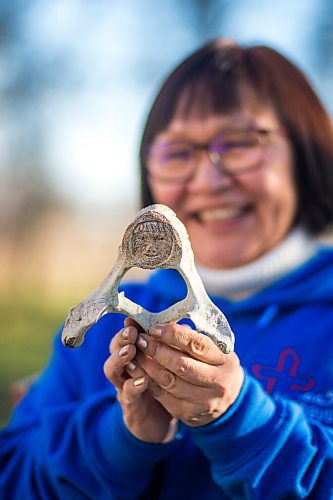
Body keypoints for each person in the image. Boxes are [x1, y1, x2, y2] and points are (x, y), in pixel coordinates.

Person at [1, 38, 333, 499]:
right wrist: (122, 436)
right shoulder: (99, 330)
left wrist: (241, 421)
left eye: (239, 145)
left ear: (305, 154)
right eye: (177, 154)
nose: (209, 181)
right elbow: (12, 479)